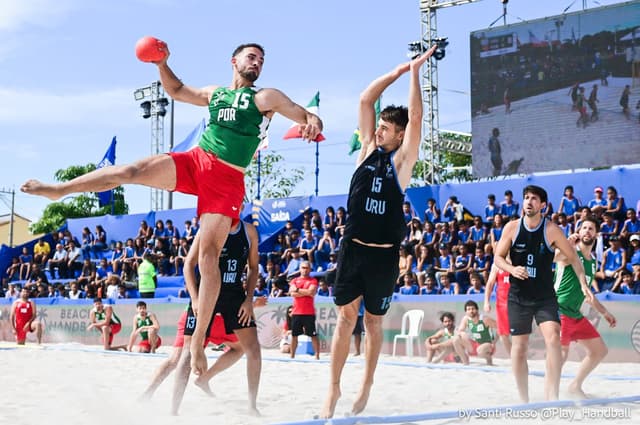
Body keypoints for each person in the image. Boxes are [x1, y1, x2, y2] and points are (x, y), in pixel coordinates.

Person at [21, 42, 322, 376]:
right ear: (234, 61)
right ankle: (59, 190)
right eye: (252, 57)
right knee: (130, 172)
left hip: (227, 179)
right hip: (197, 161)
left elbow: (303, 112)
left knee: (208, 258)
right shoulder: (215, 94)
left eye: (262, 60)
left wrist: (313, 121)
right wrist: (161, 64)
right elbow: (176, 90)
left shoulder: (265, 97)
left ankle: (196, 345)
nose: (257, 63)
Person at [320, 46, 436, 419]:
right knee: (344, 318)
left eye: (387, 128)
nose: (379, 130)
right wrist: (399, 71)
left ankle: (366, 383)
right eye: (380, 126)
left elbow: (416, 116)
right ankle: (334, 388)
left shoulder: (403, 161)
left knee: (372, 321)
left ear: (400, 136)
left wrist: (417, 74)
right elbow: (366, 98)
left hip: (383, 253)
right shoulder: (368, 149)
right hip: (352, 249)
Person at [493, 185, 594, 403]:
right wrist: (511, 269)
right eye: (526, 197)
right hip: (518, 296)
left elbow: (574, 259)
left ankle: (553, 396)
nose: (529, 201)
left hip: (544, 297)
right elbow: (497, 258)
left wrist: (583, 284)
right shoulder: (511, 228)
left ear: (543, 205)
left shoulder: (552, 230)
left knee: (553, 339)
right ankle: (524, 401)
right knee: (519, 349)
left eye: (534, 198)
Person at [172, 219, 262, 416]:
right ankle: (173, 410)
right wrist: (195, 298)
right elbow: (188, 264)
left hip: (234, 295)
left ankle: (252, 406)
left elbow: (254, 267)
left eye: (238, 203)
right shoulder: (208, 226)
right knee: (187, 352)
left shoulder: (249, 231)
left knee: (253, 348)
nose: (234, 206)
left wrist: (248, 299)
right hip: (206, 293)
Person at [554, 216, 617, 398]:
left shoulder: (593, 262)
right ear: (578, 232)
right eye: (584, 228)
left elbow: (587, 293)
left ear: (596, 234)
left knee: (599, 351)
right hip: (558, 309)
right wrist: (565, 244)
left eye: (591, 228)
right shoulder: (570, 252)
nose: (587, 231)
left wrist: (604, 312)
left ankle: (575, 386)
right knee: (562, 354)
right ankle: (550, 393)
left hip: (575, 313)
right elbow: (555, 257)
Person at [288, 260, 320, 359]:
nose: (304, 270)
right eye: (303, 268)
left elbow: (311, 292)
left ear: (310, 269)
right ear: (300, 269)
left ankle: (317, 355)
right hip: (296, 312)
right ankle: (292, 355)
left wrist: (298, 290)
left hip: (309, 312)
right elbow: (292, 293)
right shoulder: (294, 280)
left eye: (306, 268)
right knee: (294, 335)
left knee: (313, 335)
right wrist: (305, 292)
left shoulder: (313, 280)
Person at [456, 300, 497, 365]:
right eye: (468, 309)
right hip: (475, 344)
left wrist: (494, 342)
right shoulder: (466, 319)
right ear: (466, 312)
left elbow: (500, 328)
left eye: (473, 309)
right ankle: (465, 362)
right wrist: (462, 333)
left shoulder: (485, 319)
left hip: (488, 345)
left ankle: (489, 360)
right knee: (456, 340)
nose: (471, 311)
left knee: (480, 351)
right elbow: (460, 330)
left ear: (477, 310)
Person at [484, 263, 512, 354]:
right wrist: (486, 302)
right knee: (503, 335)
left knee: (518, 335)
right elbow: (490, 283)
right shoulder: (497, 264)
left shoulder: (518, 259)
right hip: (502, 302)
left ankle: (519, 357)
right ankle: (512, 357)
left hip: (517, 302)